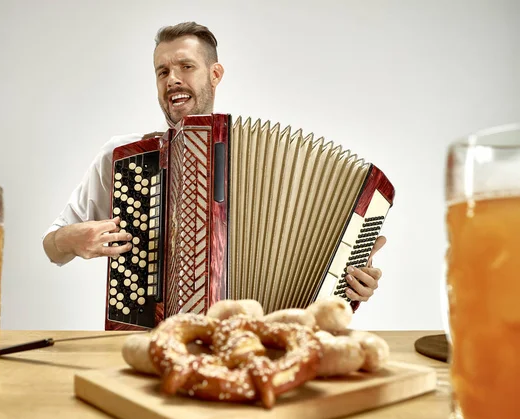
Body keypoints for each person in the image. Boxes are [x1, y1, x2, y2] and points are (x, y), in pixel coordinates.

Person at [42, 21, 386, 303]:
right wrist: (73, 239)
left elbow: (319, 275)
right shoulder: (126, 157)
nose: (172, 79)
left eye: (186, 67)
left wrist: (350, 283)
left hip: (257, 344)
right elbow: (52, 245)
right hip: (158, 340)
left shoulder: (275, 168)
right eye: (162, 71)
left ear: (215, 74)